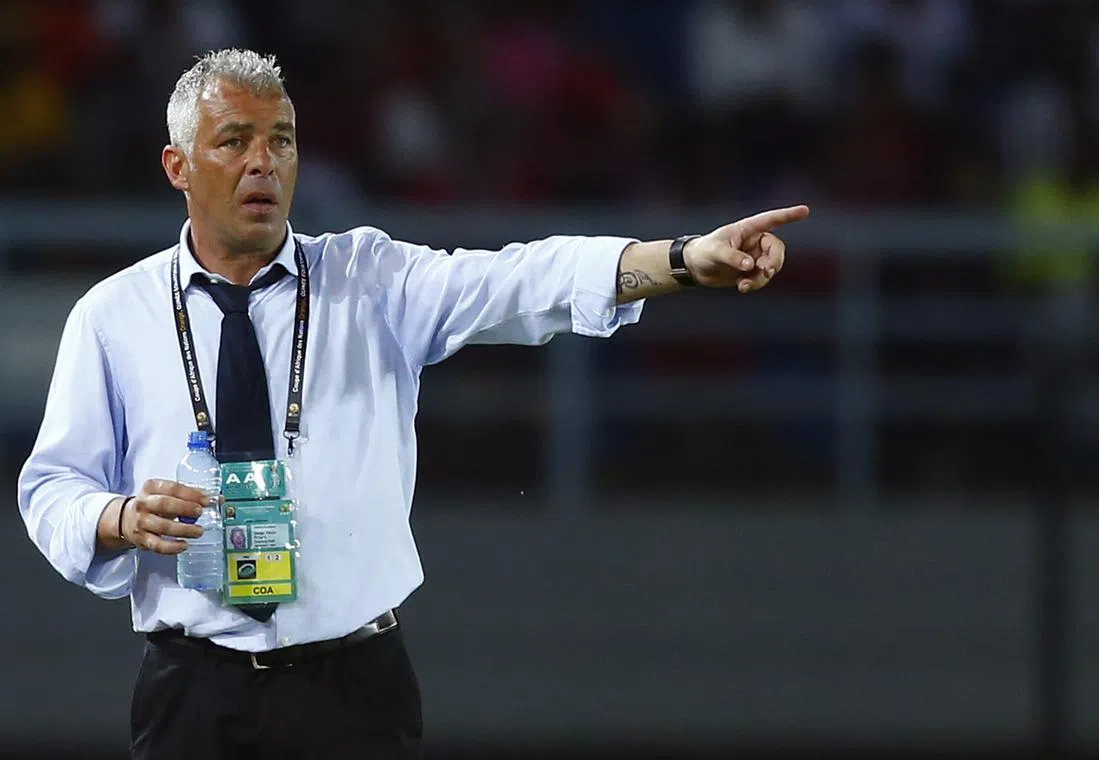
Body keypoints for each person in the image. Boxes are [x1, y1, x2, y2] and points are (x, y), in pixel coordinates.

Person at [16, 49, 809, 760]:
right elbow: (50, 487)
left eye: (282, 140)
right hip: (191, 690)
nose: (264, 162)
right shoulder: (113, 316)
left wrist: (679, 259)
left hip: (354, 690)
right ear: (178, 165)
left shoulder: (371, 279)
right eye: (234, 141)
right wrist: (116, 518)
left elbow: (521, 277)